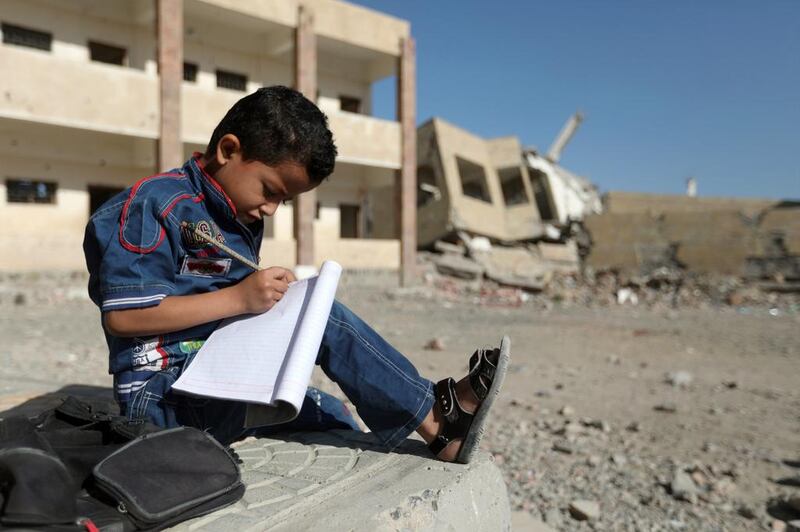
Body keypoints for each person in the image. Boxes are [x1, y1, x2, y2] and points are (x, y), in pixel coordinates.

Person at [83, 86, 509, 463]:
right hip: (161, 399)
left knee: (333, 411)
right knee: (324, 318)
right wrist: (240, 299)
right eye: (270, 191)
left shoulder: (237, 212)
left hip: (213, 379)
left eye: (283, 201)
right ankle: (439, 421)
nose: (270, 209)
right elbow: (125, 317)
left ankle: (430, 415)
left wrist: (267, 300)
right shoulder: (154, 204)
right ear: (228, 151)